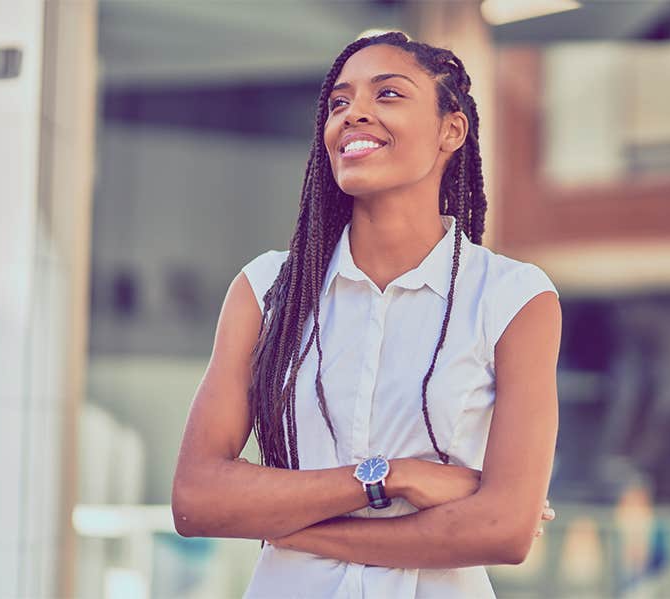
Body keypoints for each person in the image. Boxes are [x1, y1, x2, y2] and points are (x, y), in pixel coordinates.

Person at [171, 31, 562, 598]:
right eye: (339, 103)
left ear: (452, 129)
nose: (354, 114)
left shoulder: (514, 299)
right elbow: (197, 498)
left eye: (388, 95)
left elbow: (504, 530)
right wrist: (390, 478)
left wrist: (300, 530)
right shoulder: (266, 289)